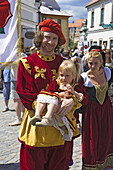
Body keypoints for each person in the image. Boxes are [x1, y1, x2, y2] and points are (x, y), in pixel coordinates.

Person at [16, 19, 88, 170]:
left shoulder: (65, 63)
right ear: (39, 38)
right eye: (47, 37)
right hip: (37, 126)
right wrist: (47, 108)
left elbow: (80, 87)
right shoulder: (27, 63)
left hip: (61, 127)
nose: (50, 42)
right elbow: (24, 92)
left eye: (54, 38)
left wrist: (72, 100)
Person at [30, 60, 83, 140]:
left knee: (53, 98)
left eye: (67, 76)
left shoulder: (75, 86)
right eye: (61, 75)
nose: (63, 78)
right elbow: (49, 94)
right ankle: (38, 115)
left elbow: (83, 99)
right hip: (55, 111)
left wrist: (74, 93)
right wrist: (59, 95)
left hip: (66, 115)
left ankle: (49, 118)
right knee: (45, 96)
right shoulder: (56, 83)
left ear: (74, 76)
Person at [81, 49, 113, 169]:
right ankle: (91, 165)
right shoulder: (84, 78)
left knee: (106, 135)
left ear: (101, 62)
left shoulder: (108, 72)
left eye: (95, 63)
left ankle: (105, 162)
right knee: (91, 138)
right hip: (90, 112)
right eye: (90, 63)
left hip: (106, 110)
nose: (93, 66)